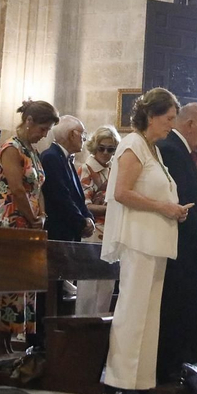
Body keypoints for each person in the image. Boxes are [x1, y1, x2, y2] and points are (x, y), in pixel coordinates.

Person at [100, 88, 190, 394]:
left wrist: (173, 208)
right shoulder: (133, 145)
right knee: (132, 312)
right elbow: (122, 192)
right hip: (138, 240)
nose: (171, 125)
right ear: (151, 116)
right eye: (167, 119)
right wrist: (163, 208)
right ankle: (116, 381)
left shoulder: (153, 149)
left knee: (149, 316)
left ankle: (138, 380)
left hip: (155, 241)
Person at [155, 102, 197, 381]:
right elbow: (181, 197)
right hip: (180, 244)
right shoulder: (172, 150)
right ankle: (168, 370)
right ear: (190, 124)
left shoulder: (189, 152)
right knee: (174, 310)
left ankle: (180, 366)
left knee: (186, 310)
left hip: (189, 245)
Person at [0, 100, 59, 347]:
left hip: (29, 221)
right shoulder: (11, 148)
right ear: (29, 121)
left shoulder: (31, 150)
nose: (43, 135)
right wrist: (32, 218)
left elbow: (38, 188)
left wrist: (41, 216)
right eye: (42, 128)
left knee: (23, 286)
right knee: (8, 284)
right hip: (11, 221)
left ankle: (11, 340)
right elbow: (17, 189)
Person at [74, 125, 119, 315]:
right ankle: (83, 332)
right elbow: (84, 204)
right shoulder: (86, 170)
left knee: (106, 287)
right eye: (102, 148)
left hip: (111, 233)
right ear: (94, 147)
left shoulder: (113, 170)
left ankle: (99, 334)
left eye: (111, 149)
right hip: (92, 233)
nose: (106, 153)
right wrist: (114, 209)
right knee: (88, 289)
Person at [41, 114, 95, 243]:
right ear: (72, 135)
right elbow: (60, 197)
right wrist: (82, 223)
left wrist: (89, 218)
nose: (84, 139)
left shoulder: (66, 158)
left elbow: (78, 198)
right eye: (82, 134)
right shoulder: (51, 157)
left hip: (69, 233)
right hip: (58, 233)